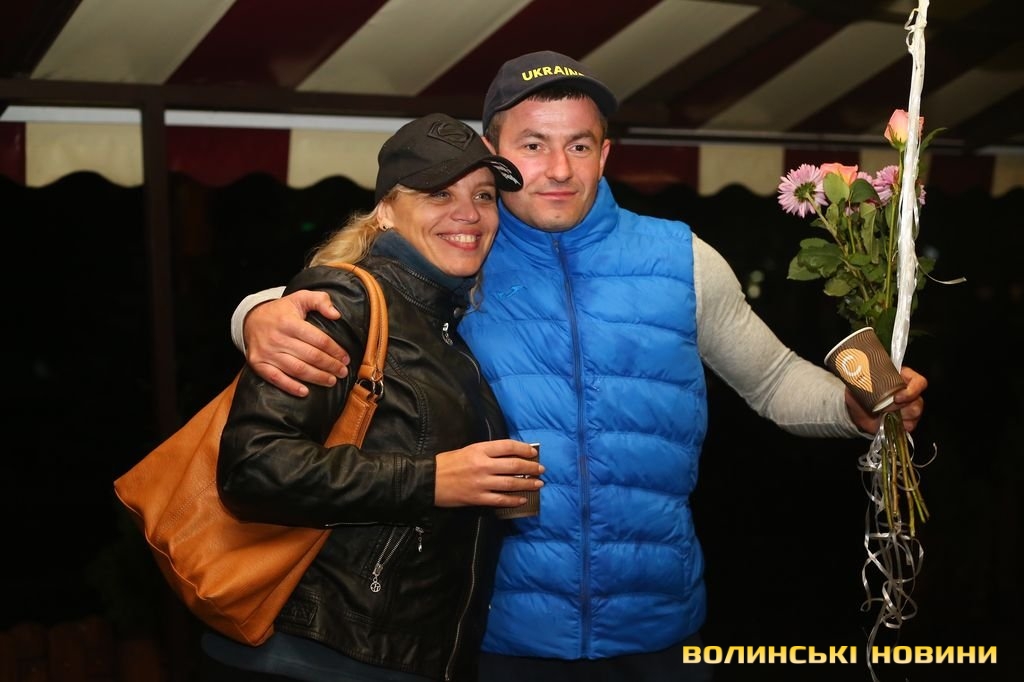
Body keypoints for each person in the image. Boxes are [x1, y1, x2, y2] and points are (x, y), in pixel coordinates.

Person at [228, 52, 928, 681]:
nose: (559, 170)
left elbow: (773, 380)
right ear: (492, 154)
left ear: (605, 153)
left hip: (660, 627)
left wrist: (851, 408)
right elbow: (343, 293)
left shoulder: (680, 258)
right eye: (533, 145)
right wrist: (256, 315)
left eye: (579, 145)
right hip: (492, 634)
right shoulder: (458, 250)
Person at [202, 112, 543, 682]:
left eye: (484, 195)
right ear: (385, 210)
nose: (468, 212)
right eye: (439, 194)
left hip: (395, 655)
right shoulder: (344, 302)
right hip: (318, 654)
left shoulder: (441, 320)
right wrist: (433, 481)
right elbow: (254, 468)